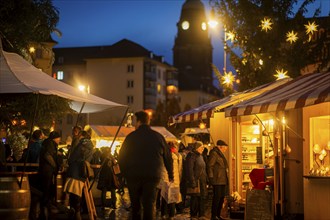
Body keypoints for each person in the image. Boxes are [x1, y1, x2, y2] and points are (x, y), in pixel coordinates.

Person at [118, 111, 174, 220]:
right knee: (149, 205)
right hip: (153, 176)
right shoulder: (158, 137)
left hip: (133, 176)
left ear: (138, 122)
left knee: (136, 207)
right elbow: (168, 157)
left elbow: (121, 157)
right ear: (148, 122)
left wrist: (123, 174)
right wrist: (170, 174)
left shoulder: (131, 137)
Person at [63, 130, 94, 220]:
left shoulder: (81, 144)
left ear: (81, 135)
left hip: (75, 170)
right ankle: (77, 212)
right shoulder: (90, 145)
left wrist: (69, 160)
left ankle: (76, 213)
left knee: (75, 193)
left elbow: (73, 157)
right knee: (77, 193)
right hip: (81, 171)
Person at [38, 131, 61, 219]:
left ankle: (45, 211)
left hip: (46, 170)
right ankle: (44, 212)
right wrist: (55, 165)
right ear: (55, 138)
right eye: (59, 138)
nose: (59, 140)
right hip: (47, 171)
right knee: (46, 190)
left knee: (47, 190)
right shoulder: (50, 143)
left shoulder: (48, 143)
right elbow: (47, 155)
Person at [184, 141, 208, 220]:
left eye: (203, 147)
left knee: (202, 197)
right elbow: (189, 170)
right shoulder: (191, 156)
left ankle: (202, 215)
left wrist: (206, 180)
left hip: (202, 181)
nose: (202, 149)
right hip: (196, 181)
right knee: (195, 198)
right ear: (197, 148)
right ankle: (194, 215)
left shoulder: (200, 156)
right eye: (201, 147)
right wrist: (192, 181)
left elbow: (203, 169)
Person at [207, 140, 229, 220]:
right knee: (217, 198)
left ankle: (218, 215)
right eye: (225, 148)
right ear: (220, 147)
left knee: (221, 197)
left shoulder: (220, 154)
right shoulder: (214, 154)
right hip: (217, 180)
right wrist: (211, 178)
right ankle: (213, 216)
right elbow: (210, 166)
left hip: (222, 179)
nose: (225, 150)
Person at [160, 142, 182, 219]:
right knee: (171, 198)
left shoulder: (164, 156)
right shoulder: (174, 157)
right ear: (173, 148)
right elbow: (176, 170)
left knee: (165, 197)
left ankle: (164, 213)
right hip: (172, 180)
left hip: (168, 180)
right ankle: (171, 215)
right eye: (175, 147)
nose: (177, 149)